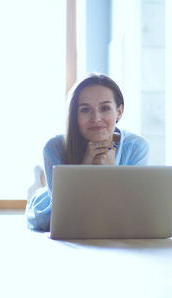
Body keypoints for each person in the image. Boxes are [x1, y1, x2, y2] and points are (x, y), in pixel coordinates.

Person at [26, 73, 150, 231]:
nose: (96, 118)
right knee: (44, 216)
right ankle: (41, 183)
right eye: (85, 110)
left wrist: (112, 171)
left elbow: (130, 211)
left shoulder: (137, 147)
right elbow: (66, 215)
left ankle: (43, 179)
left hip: (106, 212)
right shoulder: (53, 147)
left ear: (119, 112)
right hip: (50, 207)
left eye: (105, 108)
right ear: (74, 115)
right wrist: (85, 167)